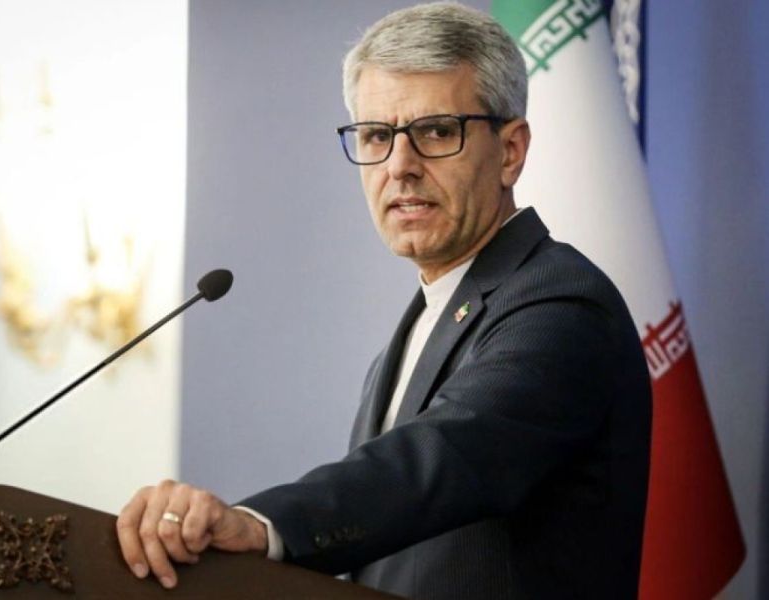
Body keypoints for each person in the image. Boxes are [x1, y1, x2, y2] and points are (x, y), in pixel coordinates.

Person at [116, 3, 652, 598]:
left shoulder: (562, 306)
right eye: (376, 135)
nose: (400, 167)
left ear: (510, 151)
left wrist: (262, 525)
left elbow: (448, 456)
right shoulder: (422, 324)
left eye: (437, 131)